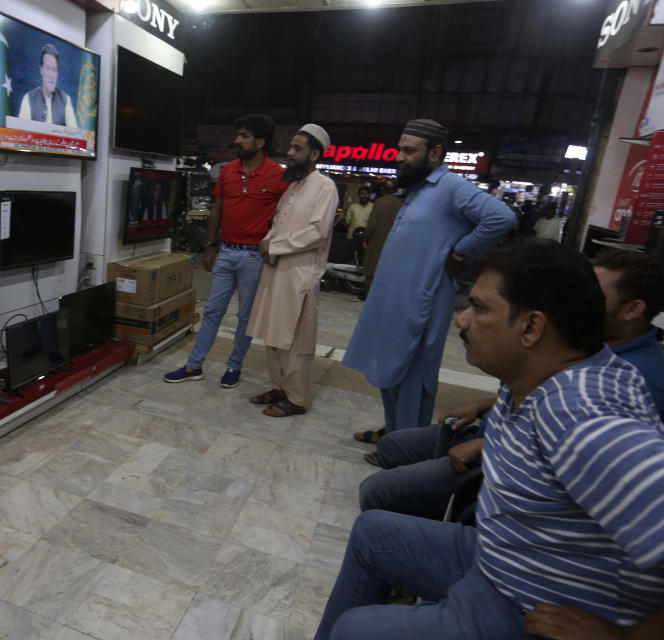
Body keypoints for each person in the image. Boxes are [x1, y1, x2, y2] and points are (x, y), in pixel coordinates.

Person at [314, 241, 664, 640]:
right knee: (372, 532)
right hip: (506, 557)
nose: (462, 320)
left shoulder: (580, 414)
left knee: (356, 631)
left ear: (532, 327)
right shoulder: (539, 378)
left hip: (526, 603)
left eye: (479, 308)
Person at [359, 246, 664, 518]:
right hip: (492, 434)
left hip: (494, 457)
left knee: (377, 505)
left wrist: (488, 446)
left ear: (633, 309)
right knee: (393, 447)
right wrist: (483, 405)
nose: (461, 321)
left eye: (480, 308)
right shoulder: (589, 351)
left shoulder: (610, 393)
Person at [342, 119, 515, 445]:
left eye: (409, 151)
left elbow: (501, 218)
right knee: (391, 368)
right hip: (396, 299)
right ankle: (393, 433)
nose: (400, 157)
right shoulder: (421, 187)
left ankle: (405, 446)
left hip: (423, 299)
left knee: (412, 376)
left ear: (435, 153)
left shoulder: (452, 186)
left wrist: (460, 253)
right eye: (400, 149)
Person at [164, 114, 287, 388]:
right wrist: (210, 246)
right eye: (238, 135)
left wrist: (274, 244)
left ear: (260, 141)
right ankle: (194, 365)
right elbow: (216, 209)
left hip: (255, 257)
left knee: (246, 316)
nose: (238, 141)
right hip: (226, 253)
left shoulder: (278, 175)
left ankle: (234, 366)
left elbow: (286, 213)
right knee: (212, 312)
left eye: (244, 136)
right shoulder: (229, 170)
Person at [244, 124, 338, 416]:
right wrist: (267, 242)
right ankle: (280, 387)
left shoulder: (325, 186)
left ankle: (296, 399)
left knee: (295, 341)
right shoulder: (294, 187)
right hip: (277, 269)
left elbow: (317, 233)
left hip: (300, 274)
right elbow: (277, 225)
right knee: (273, 335)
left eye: (298, 148)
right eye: (291, 147)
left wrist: (275, 246)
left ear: (314, 154)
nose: (290, 152)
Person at [17, 44, 78, 127]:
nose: (51, 75)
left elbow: (75, 135)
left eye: (54, 69)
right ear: (41, 70)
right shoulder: (28, 99)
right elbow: (20, 134)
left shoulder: (66, 100)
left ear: (57, 73)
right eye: (48, 68)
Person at [361, 177, 401, 296]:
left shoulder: (379, 202)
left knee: (371, 268)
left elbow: (372, 223)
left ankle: (370, 294)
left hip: (376, 241)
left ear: (383, 190)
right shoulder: (401, 204)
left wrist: (366, 238)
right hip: (394, 242)